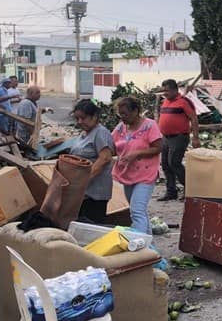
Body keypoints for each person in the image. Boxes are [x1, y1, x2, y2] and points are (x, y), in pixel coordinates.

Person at [112, 97, 163, 234]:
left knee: (137, 211)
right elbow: (111, 143)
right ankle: (149, 244)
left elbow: (158, 148)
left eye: (125, 114)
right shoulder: (121, 127)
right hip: (127, 173)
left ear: (136, 111)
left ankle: (139, 243)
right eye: (120, 114)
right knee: (138, 210)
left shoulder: (150, 126)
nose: (123, 117)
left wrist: (137, 153)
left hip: (146, 175)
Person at [70, 99, 115, 224]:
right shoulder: (85, 133)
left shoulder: (100, 133)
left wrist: (85, 180)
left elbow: (105, 158)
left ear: (94, 116)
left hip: (95, 192)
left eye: (83, 118)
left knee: (92, 226)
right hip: (83, 191)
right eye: (77, 118)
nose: (80, 122)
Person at [156, 79, 200, 201]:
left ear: (175, 90)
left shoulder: (184, 102)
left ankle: (190, 190)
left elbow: (194, 119)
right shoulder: (165, 102)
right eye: (163, 90)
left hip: (179, 137)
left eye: (167, 91)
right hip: (166, 137)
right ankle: (171, 191)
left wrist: (195, 138)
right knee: (165, 164)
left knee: (174, 163)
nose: (165, 93)